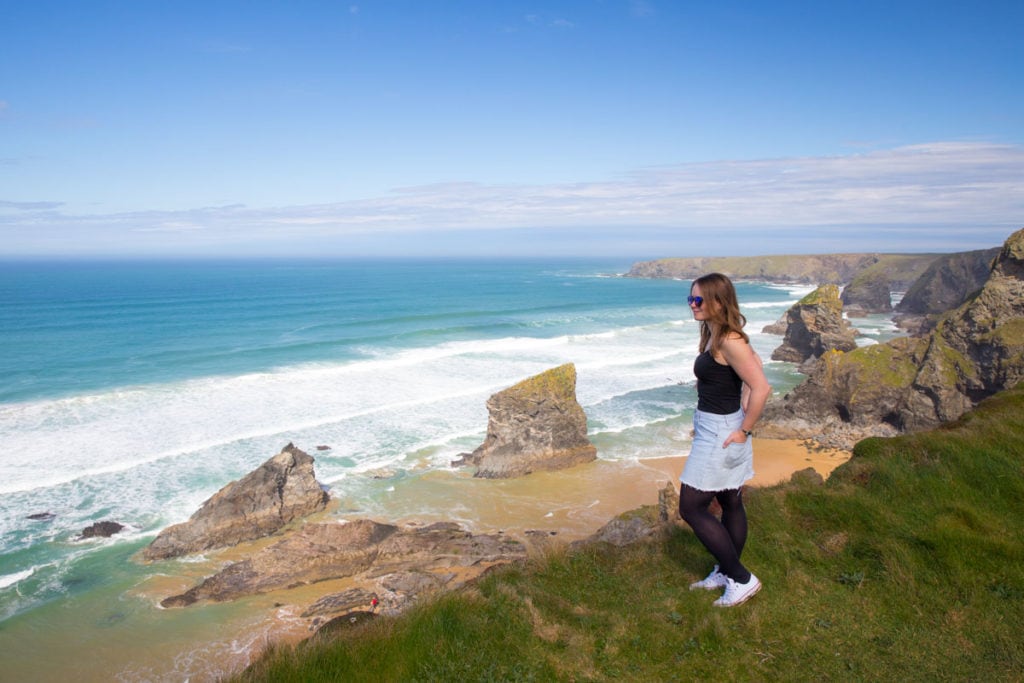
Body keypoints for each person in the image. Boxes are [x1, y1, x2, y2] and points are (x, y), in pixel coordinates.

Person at [679, 273, 771, 607]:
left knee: (690, 507)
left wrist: (744, 429)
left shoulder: (729, 340)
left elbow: (762, 386)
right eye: (690, 299)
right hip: (716, 425)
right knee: (731, 501)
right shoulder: (714, 334)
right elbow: (751, 369)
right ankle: (726, 571)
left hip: (722, 432)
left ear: (718, 301)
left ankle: (741, 577)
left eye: (698, 300)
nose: (692, 305)